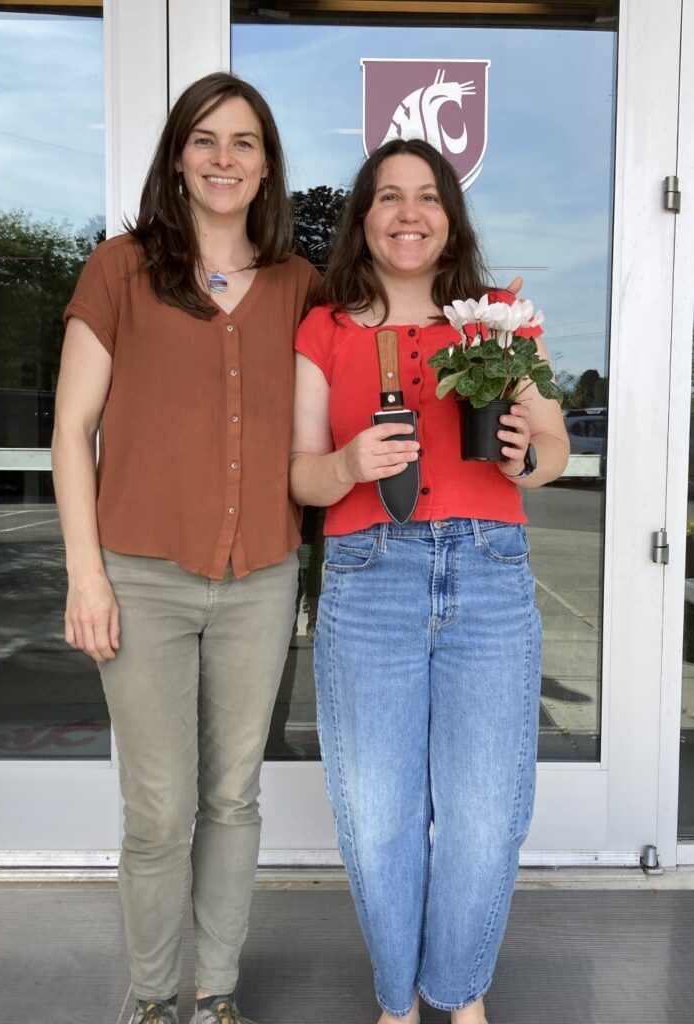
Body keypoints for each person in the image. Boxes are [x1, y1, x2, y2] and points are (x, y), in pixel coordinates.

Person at [52, 73, 318, 1024]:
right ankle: (154, 995)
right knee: (159, 811)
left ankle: (213, 994)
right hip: (142, 580)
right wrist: (87, 575)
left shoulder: (299, 285)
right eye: (204, 140)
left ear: (266, 165)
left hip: (258, 584)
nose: (223, 158)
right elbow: (70, 429)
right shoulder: (120, 267)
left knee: (232, 799)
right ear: (176, 156)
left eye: (244, 142)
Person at [290, 137, 569, 1024]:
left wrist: (531, 458)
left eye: (426, 197)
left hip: (487, 575)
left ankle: (459, 993)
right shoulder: (324, 329)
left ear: (449, 218)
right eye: (386, 197)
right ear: (362, 221)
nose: (407, 213)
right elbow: (299, 475)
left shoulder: (500, 325)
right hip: (369, 579)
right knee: (379, 824)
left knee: (484, 818)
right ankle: (396, 1004)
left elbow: (556, 449)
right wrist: (346, 461)